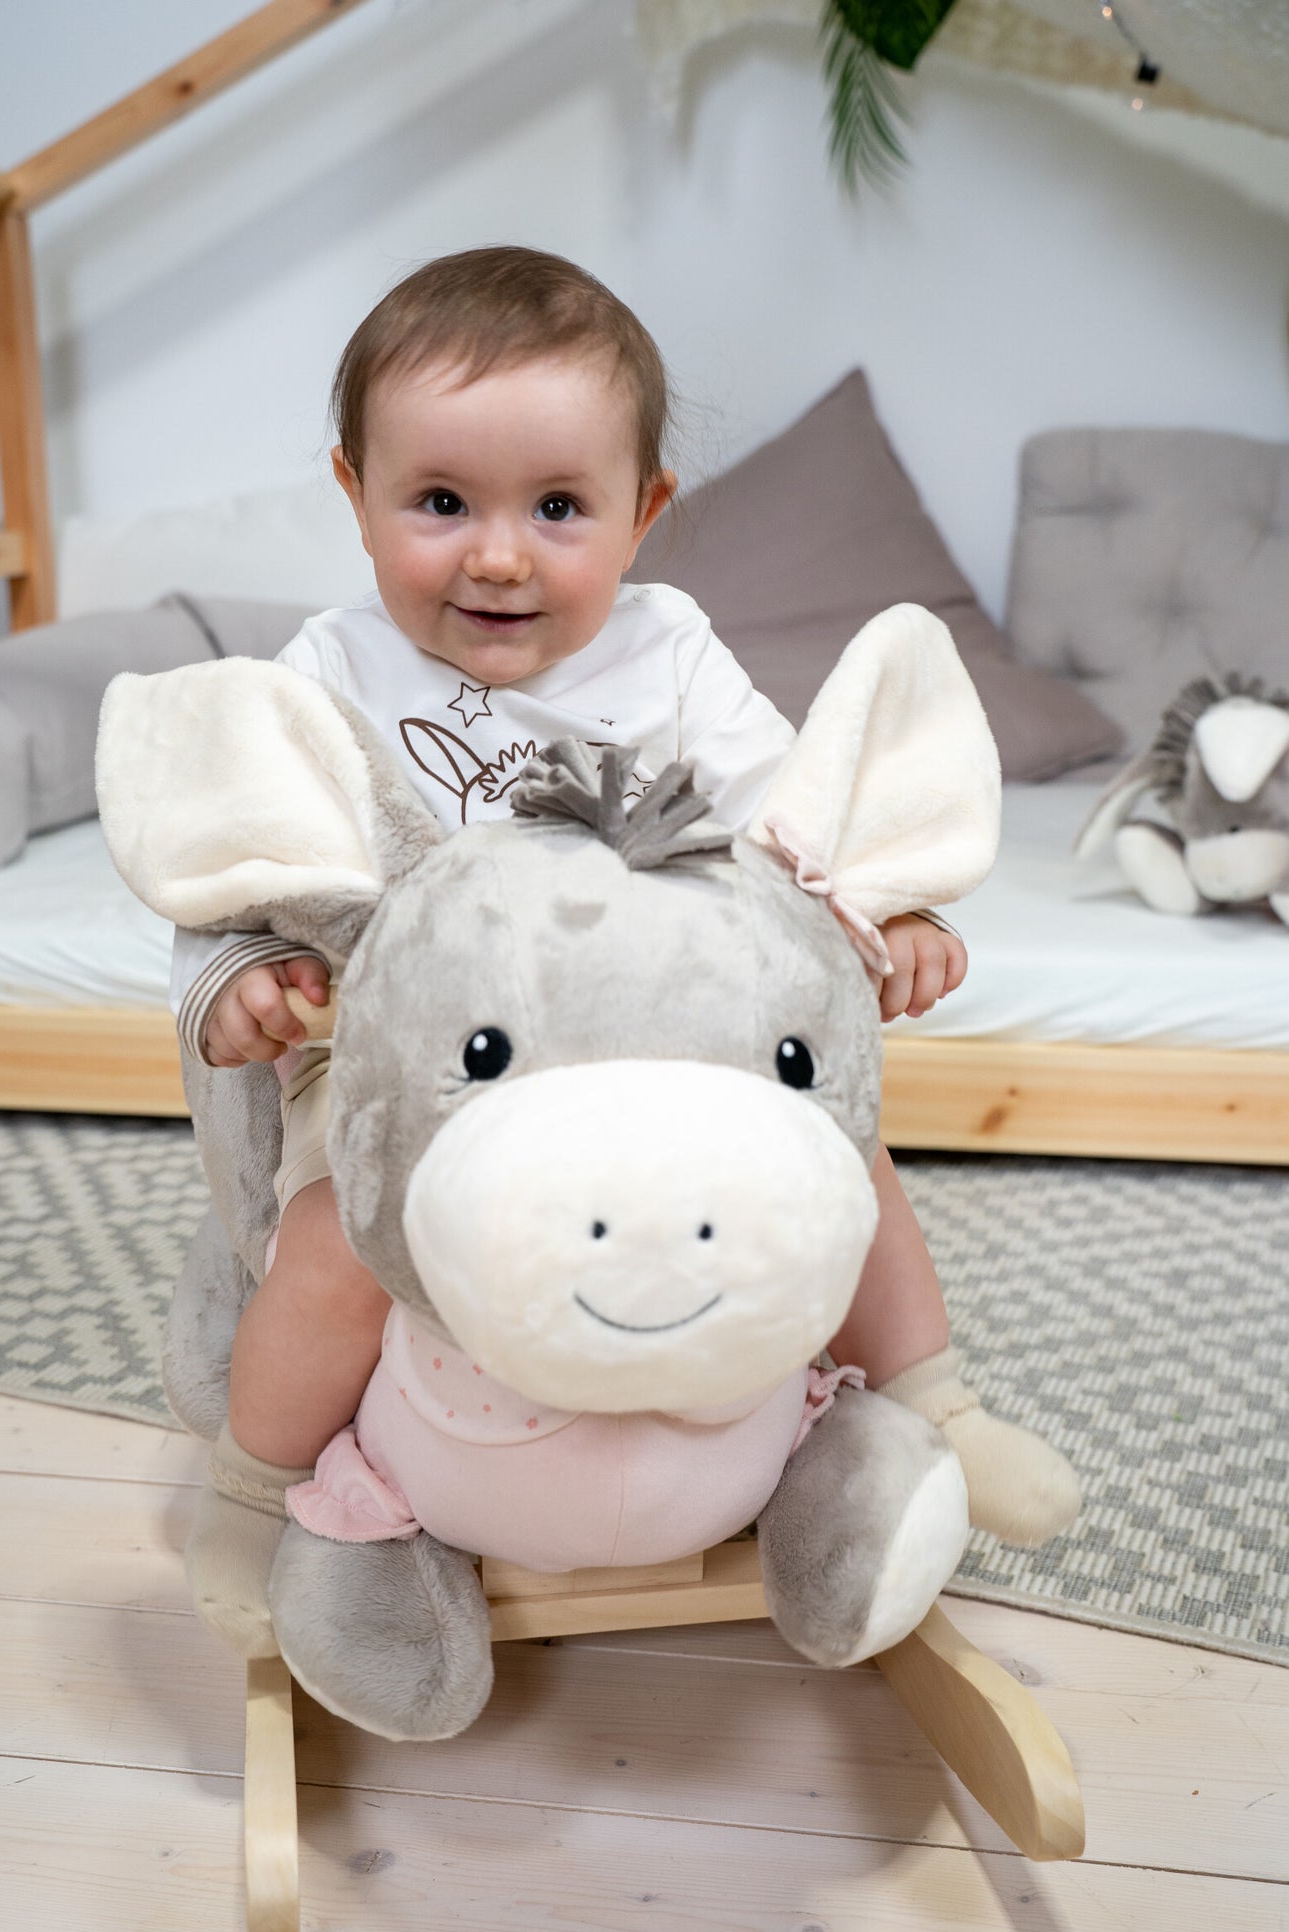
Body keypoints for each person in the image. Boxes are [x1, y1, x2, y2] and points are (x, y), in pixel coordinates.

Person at [170, 244, 1079, 1547]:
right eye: (440, 502)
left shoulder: (671, 653)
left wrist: (889, 913)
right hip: (411, 1068)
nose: (498, 557)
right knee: (334, 1242)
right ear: (355, 495)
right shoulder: (326, 673)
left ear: (641, 512)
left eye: (557, 508)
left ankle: (936, 1402)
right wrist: (240, 982)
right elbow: (239, 869)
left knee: (844, 1159)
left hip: (665, 1042)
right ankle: (260, 1490)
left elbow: (795, 831)